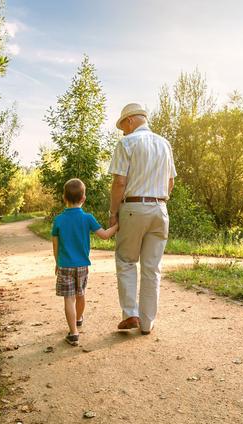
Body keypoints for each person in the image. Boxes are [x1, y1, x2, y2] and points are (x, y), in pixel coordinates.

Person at [107, 103, 176, 335]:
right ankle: (147, 323)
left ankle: (130, 314)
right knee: (152, 268)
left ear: (130, 121)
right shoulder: (165, 144)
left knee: (126, 260)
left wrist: (113, 213)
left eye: (123, 127)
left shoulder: (127, 143)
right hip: (160, 209)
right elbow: (171, 183)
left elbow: (119, 182)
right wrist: (159, 201)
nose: (123, 132)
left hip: (134, 207)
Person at [52, 178, 118, 346]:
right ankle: (79, 318)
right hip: (82, 265)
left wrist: (57, 263)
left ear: (64, 198)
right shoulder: (87, 218)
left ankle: (73, 333)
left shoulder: (58, 220)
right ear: (83, 198)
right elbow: (104, 235)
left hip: (65, 265)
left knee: (69, 299)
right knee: (80, 294)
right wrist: (118, 225)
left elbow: (55, 245)